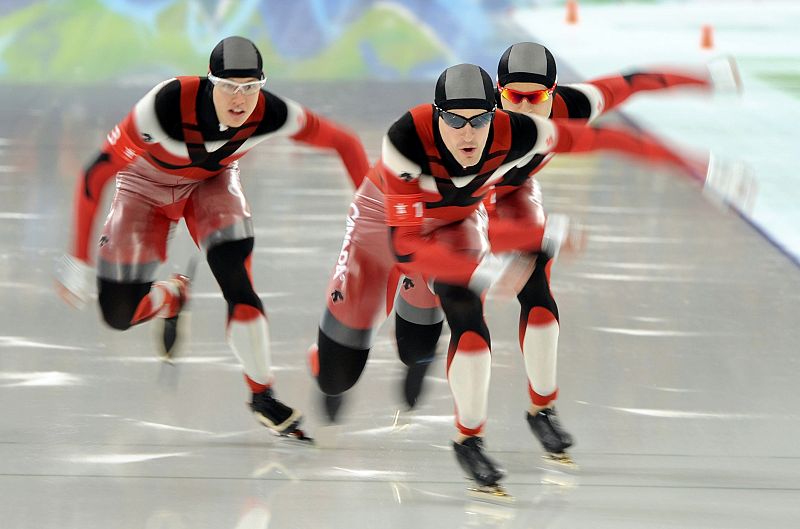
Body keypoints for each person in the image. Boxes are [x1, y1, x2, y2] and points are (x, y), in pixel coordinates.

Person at [310, 61, 703, 494]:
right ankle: (332, 360)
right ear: (438, 116)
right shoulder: (404, 140)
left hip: (455, 223)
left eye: (478, 121)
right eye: (455, 122)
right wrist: (491, 263)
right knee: (337, 375)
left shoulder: (522, 131)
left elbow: (606, 138)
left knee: (437, 332)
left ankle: (467, 436)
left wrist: (693, 164)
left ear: (494, 115)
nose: (467, 134)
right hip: (382, 224)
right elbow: (404, 245)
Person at [391, 41, 741, 465]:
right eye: (510, 97)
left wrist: (703, 92)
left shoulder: (574, 107)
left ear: (554, 93)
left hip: (514, 195)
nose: (521, 108)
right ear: (496, 94)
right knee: (465, 310)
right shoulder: (475, 126)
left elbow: (635, 84)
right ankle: (456, 415)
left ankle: (542, 409)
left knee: (538, 300)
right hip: (460, 209)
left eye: (534, 97)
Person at [56, 36, 370, 441]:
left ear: (262, 85)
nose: (240, 100)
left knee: (236, 277)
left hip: (212, 184)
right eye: (228, 87)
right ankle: (171, 296)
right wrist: (77, 260)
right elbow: (94, 174)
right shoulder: (164, 107)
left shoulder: (270, 112)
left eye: (250, 88)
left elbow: (344, 141)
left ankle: (262, 394)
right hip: (144, 187)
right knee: (118, 314)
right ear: (210, 82)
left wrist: (371, 220)